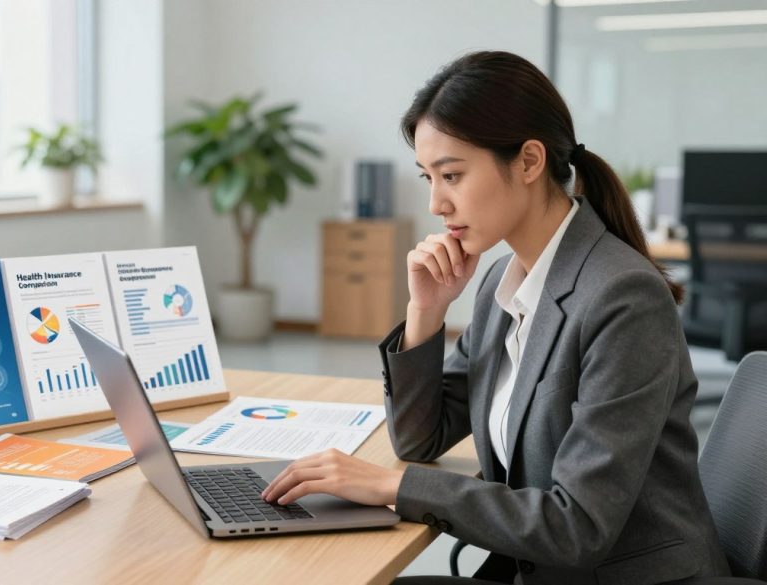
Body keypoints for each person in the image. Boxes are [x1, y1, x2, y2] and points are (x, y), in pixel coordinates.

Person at [261, 51, 730, 584]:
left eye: (453, 175)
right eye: (428, 178)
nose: (436, 203)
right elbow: (421, 440)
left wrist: (390, 488)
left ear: (529, 162)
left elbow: (577, 526)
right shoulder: (502, 282)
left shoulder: (622, 299)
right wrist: (428, 309)